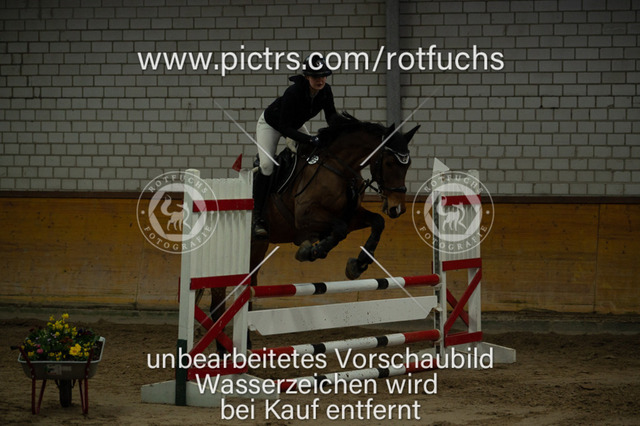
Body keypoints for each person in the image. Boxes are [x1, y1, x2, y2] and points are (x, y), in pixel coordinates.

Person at [252, 54, 338, 237]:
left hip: (294, 124)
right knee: (267, 166)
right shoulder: (293, 92)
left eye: (323, 76)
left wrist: (340, 131)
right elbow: (284, 127)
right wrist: (310, 139)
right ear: (307, 77)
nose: (320, 80)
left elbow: (331, 116)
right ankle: (257, 216)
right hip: (271, 124)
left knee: (312, 155)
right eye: (315, 76)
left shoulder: (326, 91)